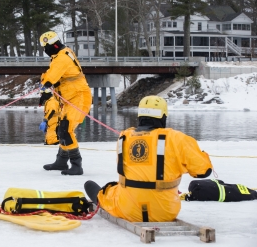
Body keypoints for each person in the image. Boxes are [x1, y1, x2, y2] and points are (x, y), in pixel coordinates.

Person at [84, 95, 213, 222]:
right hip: (165, 211)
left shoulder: (123, 137)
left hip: (127, 209)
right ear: (163, 116)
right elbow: (204, 171)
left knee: (98, 188)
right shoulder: (178, 139)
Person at [39, 31, 92, 175]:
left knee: (65, 129)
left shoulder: (62, 58)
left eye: (46, 47)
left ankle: (76, 164)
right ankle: (61, 161)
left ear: (53, 45)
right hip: (69, 99)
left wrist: (44, 85)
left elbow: (51, 77)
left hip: (78, 98)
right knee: (61, 129)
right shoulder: (62, 54)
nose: (45, 51)